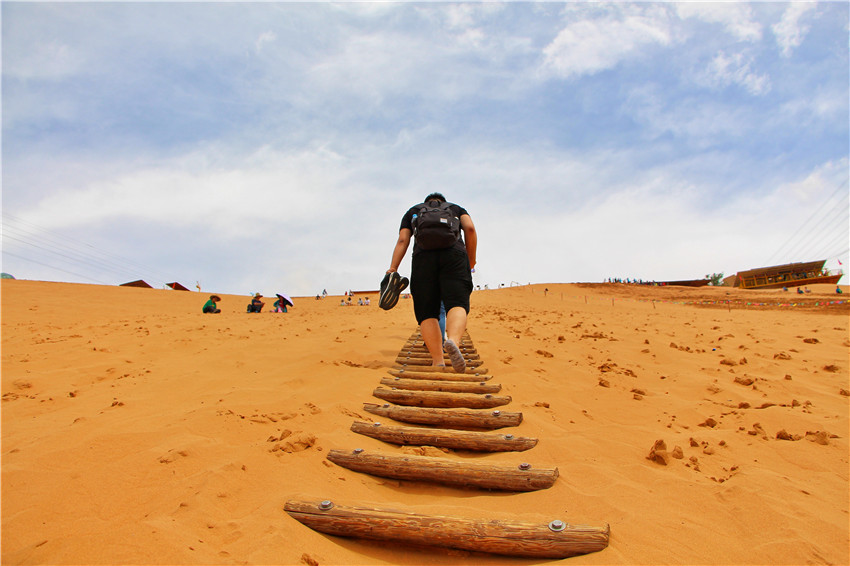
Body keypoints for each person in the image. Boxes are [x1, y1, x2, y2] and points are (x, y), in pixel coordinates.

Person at [386, 192, 477, 372]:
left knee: (427, 311)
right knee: (457, 303)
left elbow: (403, 239)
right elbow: (471, 229)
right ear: (443, 201)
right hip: (455, 256)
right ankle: (454, 342)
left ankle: (438, 360)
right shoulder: (456, 208)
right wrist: (471, 260)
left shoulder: (413, 211)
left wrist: (393, 268)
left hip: (423, 258)